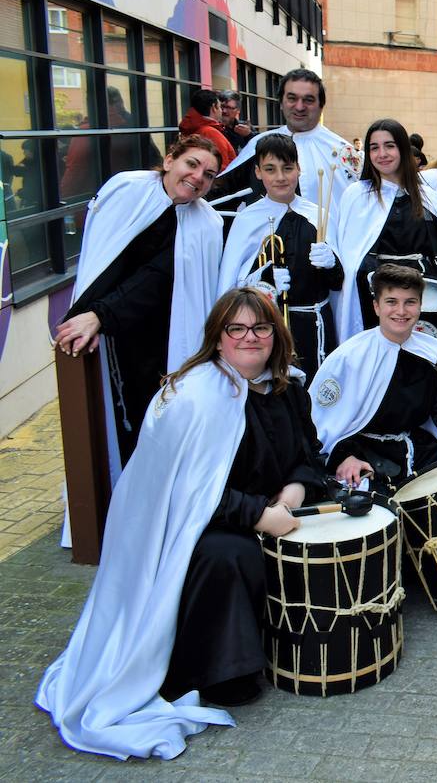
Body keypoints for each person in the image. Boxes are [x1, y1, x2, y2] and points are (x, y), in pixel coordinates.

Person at [37, 289, 328, 759]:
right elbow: (186, 490)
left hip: (278, 513)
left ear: (276, 334)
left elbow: (310, 456)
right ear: (218, 339)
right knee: (227, 555)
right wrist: (257, 515)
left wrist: (294, 492)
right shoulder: (193, 397)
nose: (250, 338)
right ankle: (219, 670)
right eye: (237, 329)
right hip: (197, 529)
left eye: (261, 327)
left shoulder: (288, 389)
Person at [55, 135, 224, 470]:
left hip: (167, 339)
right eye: (192, 164)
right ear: (170, 159)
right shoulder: (126, 191)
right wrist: (93, 314)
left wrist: (99, 314)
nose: (198, 177)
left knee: (162, 425)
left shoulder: (207, 223)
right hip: (116, 338)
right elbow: (104, 260)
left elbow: (163, 277)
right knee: (120, 428)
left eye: (209, 174)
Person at [311, 264, 437, 496]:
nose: (401, 311)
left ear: (420, 306)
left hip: (415, 449)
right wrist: (344, 456)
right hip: (362, 454)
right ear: (376, 306)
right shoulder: (348, 357)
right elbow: (318, 423)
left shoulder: (432, 351)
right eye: (391, 301)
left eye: (410, 302)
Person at [331, 118, 437, 357]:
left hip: (420, 297)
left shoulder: (425, 195)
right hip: (374, 299)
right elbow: (349, 255)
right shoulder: (356, 196)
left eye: (390, 145)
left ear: (403, 149)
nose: (381, 153)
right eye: (374, 147)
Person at [217, 134, 343, 381]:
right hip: (270, 327)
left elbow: (338, 284)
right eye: (270, 169)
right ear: (258, 172)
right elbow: (231, 285)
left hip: (318, 323)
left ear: (299, 169)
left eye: (287, 168)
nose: (280, 177)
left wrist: (332, 263)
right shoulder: (247, 220)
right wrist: (263, 279)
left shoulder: (319, 214)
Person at [213, 69, 361, 231]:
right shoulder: (259, 144)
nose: (299, 107)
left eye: (308, 100)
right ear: (281, 103)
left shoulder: (344, 152)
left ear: (321, 105)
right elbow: (220, 197)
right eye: (292, 98)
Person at [177, 89, 236, 169]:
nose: (221, 111)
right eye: (220, 107)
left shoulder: (193, 128)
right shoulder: (210, 132)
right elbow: (221, 168)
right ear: (214, 107)